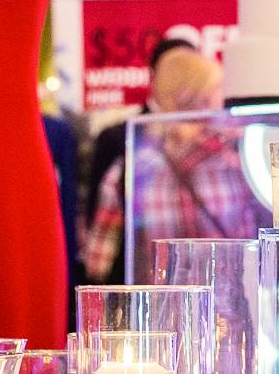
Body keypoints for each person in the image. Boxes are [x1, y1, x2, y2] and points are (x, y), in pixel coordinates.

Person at [82, 48, 265, 279]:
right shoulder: (238, 160)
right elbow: (269, 244)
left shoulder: (131, 168)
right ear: (203, 98)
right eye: (217, 88)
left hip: (162, 300)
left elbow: (97, 262)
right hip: (229, 298)